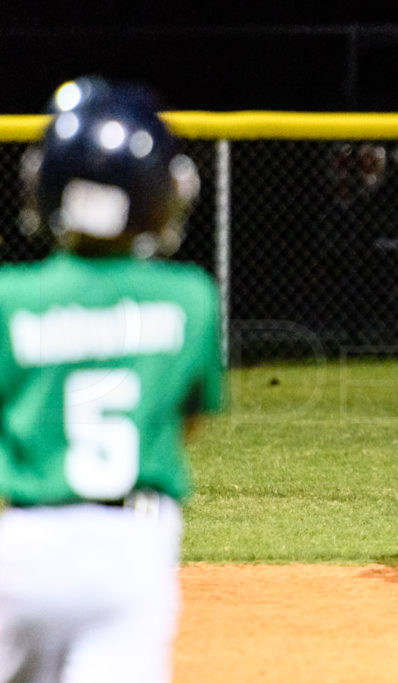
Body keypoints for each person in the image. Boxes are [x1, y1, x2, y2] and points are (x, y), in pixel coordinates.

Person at [0, 76, 222, 682]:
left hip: (24, 546)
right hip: (133, 545)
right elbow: (188, 419)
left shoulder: (10, 299)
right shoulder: (189, 299)